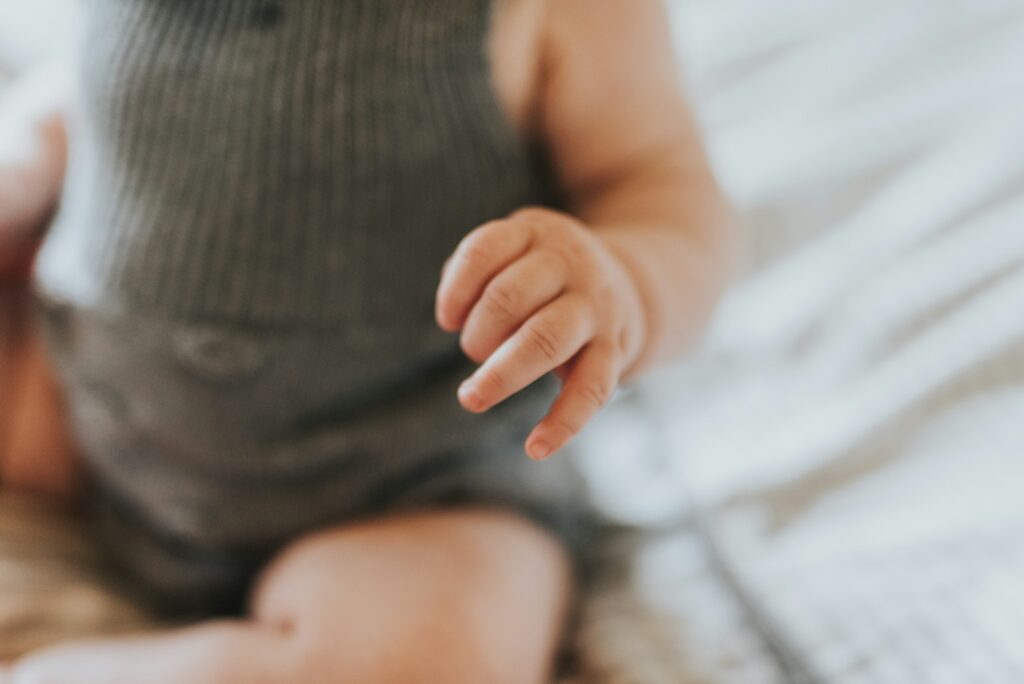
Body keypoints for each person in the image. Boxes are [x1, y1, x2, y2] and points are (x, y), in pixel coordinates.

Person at [0, 1, 732, 682]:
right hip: (84, 404)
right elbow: (140, 77)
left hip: (415, 482)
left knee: (422, 661)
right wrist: (38, 139)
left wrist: (622, 280)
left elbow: (658, 189)